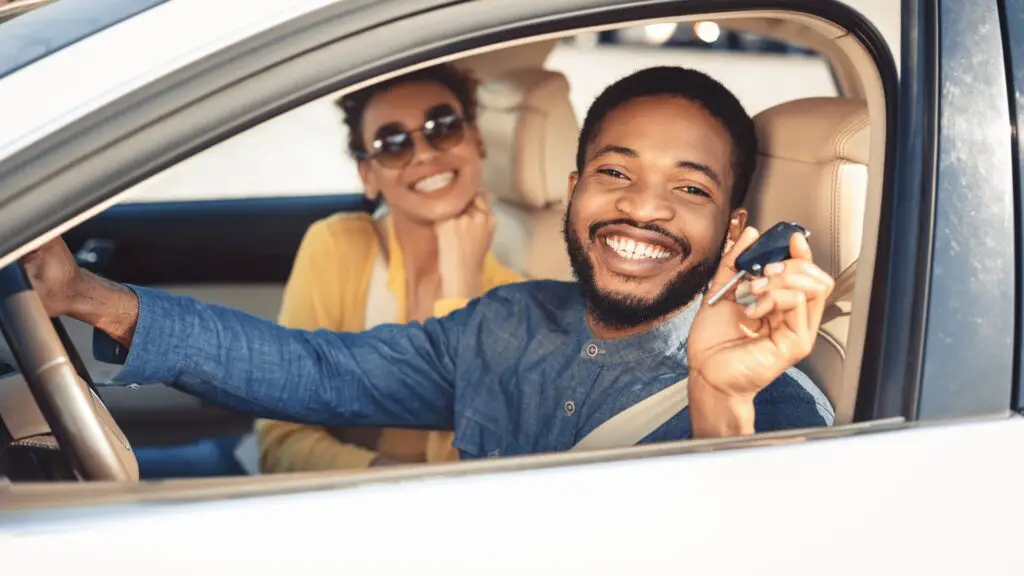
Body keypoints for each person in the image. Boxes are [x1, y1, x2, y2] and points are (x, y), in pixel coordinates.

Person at [23, 66, 836, 457]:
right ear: (575, 190)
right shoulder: (506, 321)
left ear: (733, 231)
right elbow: (314, 369)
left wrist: (719, 401)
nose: (642, 208)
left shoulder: (774, 400)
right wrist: (91, 296)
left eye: (688, 190)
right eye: (615, 173)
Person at [258, 64, 523, 472]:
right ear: (369, 176)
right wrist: (382, 477)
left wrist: (461, 291)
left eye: (444, 126)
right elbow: (279, 441)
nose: (424, 153)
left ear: (477, 141)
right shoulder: (336, 246)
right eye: (394, 143)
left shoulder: (518, 302)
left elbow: (473, 469)